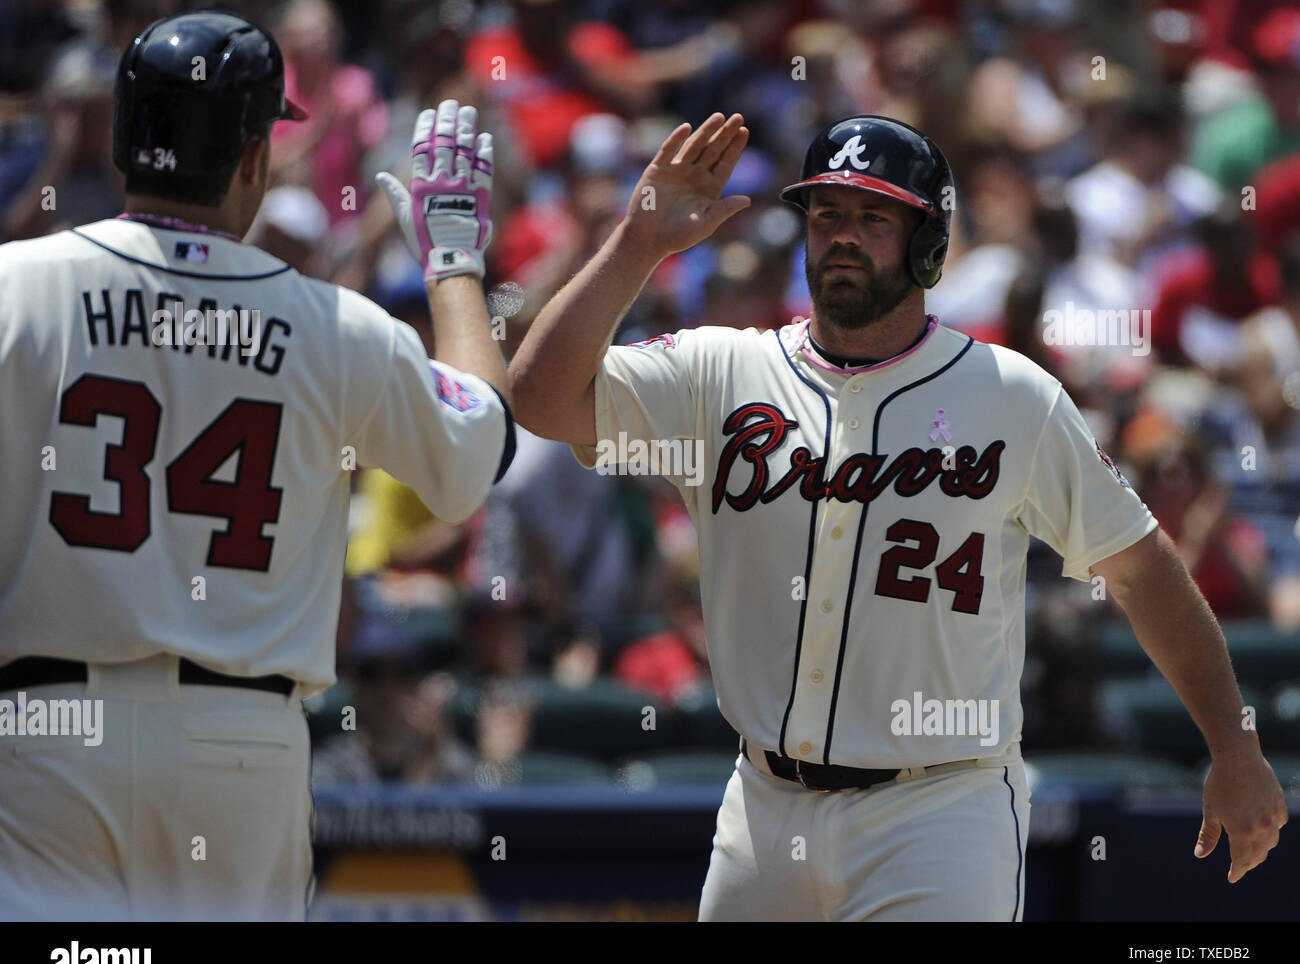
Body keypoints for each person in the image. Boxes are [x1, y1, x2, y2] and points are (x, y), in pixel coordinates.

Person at [507, 112, 1288, 920]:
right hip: (762, 810)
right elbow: (538, 398)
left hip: (939, 811)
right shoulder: (723, 370)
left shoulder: (1008, 394)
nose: (843, 236)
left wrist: (1232, 743)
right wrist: (635, 246)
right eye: (826, 214)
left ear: (928, 243)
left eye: (874, 217)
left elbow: (1139, 565)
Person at [0, 12, 512, 920]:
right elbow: (476, 455)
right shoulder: (339, 327)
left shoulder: (15, 287)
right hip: (238, 742)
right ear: (250, 162)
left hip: (45, 729)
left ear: (122, 143)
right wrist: (458, 262)